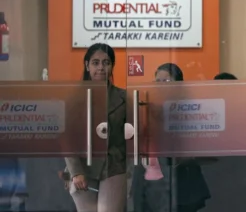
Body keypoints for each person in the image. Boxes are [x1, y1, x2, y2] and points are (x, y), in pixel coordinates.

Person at [132, 63, 211, 212]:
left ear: (178, 85)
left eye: (167, 81)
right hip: (152, 183)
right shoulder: (146, 109)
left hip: (181, 181)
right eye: (158, 81)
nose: (161, 85)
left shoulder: (188, 109)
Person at [65, 43, 127, 212]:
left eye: (106, 63)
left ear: (112, 66)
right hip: (83, 167)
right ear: (87, 65)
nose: (101, 67)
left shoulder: (123, 97)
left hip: (114, 167)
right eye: (95, 62)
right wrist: (75, 172)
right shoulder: (75, 99)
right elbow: (67, 139)